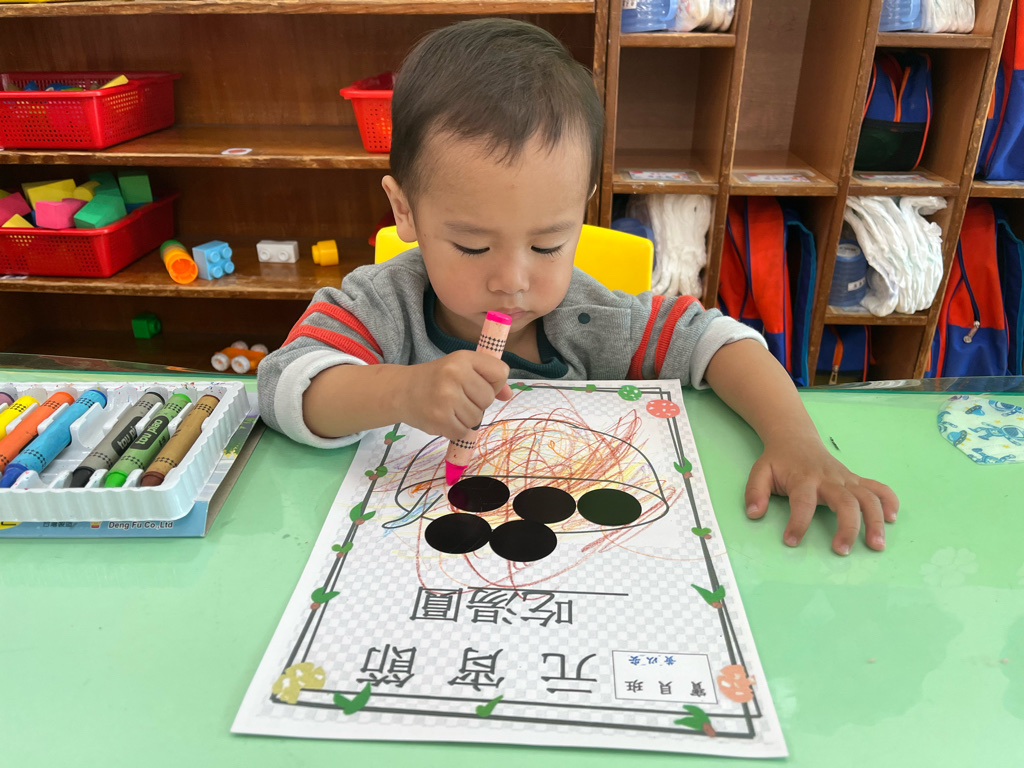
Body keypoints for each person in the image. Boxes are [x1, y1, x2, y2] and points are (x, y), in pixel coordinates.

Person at [258, 18, 898, 555]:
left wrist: (795, 439)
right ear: (405, 211)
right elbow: (286, 385)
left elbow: (718, 341)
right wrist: (400, 390)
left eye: (547, 245)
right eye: (473, 246)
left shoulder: (595, 318)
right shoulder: (381, 305)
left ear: (581, 211)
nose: (512, 281)